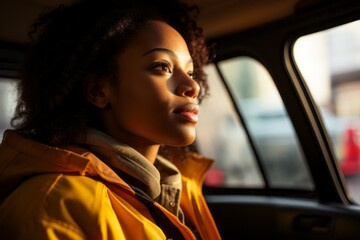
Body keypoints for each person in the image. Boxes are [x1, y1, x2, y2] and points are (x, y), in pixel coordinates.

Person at [0, 0, 221, 239]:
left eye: (189, 72)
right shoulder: (55, 205)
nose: (192, 86)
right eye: (162, 67)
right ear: (98, 91)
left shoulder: (181, 189)